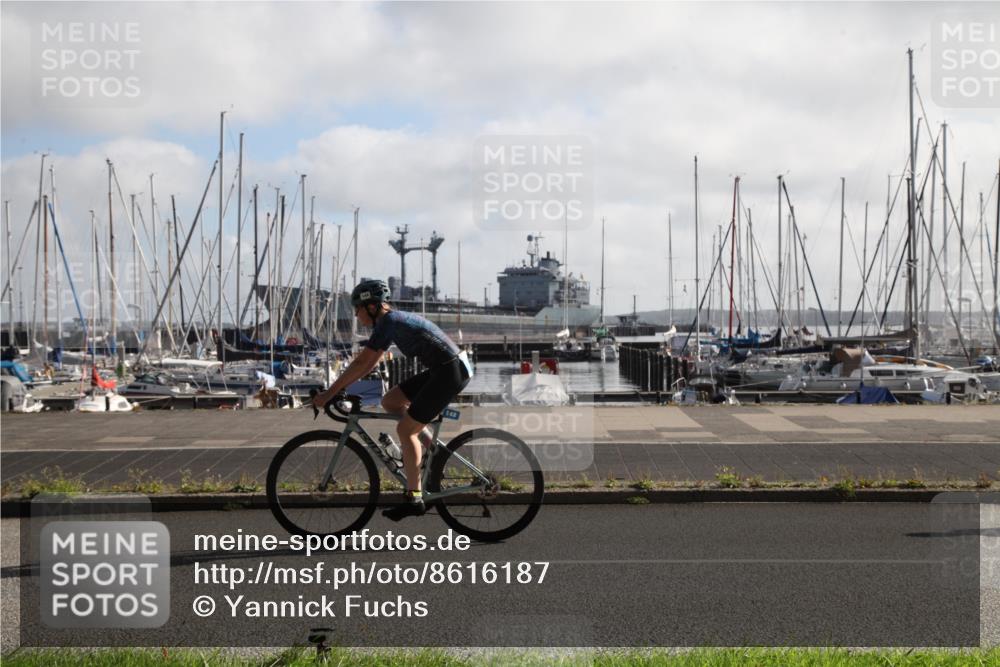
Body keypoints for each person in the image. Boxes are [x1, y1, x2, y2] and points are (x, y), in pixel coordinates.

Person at [312, 279, 471, 521]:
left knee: (405, 430)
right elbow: (367, 365)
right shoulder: (389, 321)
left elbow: (361, 363)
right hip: (445, 368)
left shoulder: (389, 322)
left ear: (372, 307)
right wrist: (340, 388)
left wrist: (328, 394)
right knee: (391, 401)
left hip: (451, 371)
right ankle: (434, 452)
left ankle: (414, 497)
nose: (356, 315)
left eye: (358, 309)